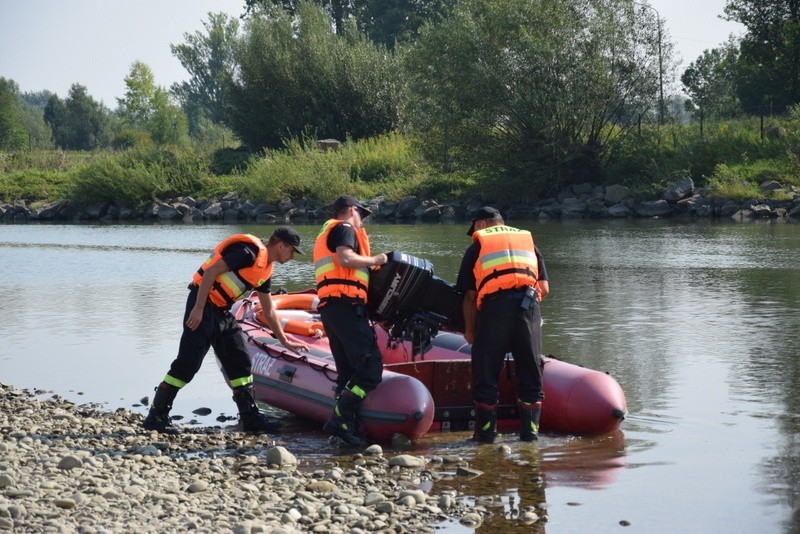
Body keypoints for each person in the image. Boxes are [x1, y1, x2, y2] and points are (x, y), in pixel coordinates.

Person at [142, 227, 309, 434]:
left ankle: (251, 419)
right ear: (281, 245)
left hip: (222, 312)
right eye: (292, 251)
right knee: (187, 365)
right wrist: (198, 309)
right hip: (202, 305)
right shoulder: (247, 251)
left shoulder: (265, 269)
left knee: (240, 363)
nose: (292, 256)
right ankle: (156, 417)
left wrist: (285, 341)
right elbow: (211, 272)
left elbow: (269, 310)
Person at [455, 206, 550, 443]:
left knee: (485, 371)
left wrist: (469, 331)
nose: (473, 233)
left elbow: (469, 295)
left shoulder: (477, 246)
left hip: (495, 308)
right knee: (531, 369)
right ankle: (530, 437)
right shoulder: (529, 243)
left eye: (474, 227)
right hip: (529, 307)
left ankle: (486, 435)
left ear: (483, 224)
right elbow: (545, 289)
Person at [313, 195, 389, 446]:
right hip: (345, 305)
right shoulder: (344, 228)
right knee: (370, 368)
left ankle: (346, 428)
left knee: (347, 371)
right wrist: (376, 260)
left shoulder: (326, 232)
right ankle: (340, 419)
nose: (362, 221)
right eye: (361, 215)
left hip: (333, 306)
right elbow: (346, 258)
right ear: (351, 211)